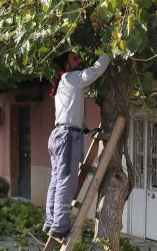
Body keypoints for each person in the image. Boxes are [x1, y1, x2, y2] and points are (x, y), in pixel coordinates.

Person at [44, 51, 110, 239]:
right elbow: (95, 71)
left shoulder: (64, 84)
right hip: (66, 136)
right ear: (66, 64)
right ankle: (60, 225)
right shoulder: (72, 77)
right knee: (67, 181)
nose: (79, 60)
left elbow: (72, 112)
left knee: (57, 181)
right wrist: (109, 54)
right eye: (75, 59)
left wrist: (87, 132)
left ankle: (51, 222)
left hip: (59, 134)